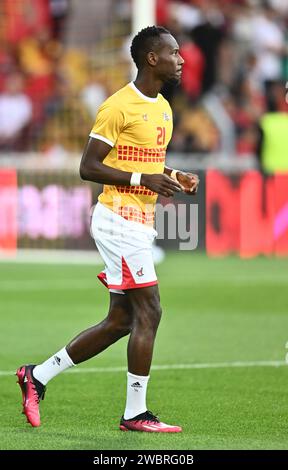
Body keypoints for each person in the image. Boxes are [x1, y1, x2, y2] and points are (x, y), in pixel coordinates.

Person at [16, 26, 199, 433]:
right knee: (150, 311)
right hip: (118, 218)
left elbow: (144, 164)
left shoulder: (164, 109)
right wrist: (141, 180)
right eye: (174, 52)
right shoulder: (118, 106)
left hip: (139, 220)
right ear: (152, 58)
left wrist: (171, 174)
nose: (181, 59)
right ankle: (135, 413)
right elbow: (89, 166)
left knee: (121, 320)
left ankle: (37, 375)